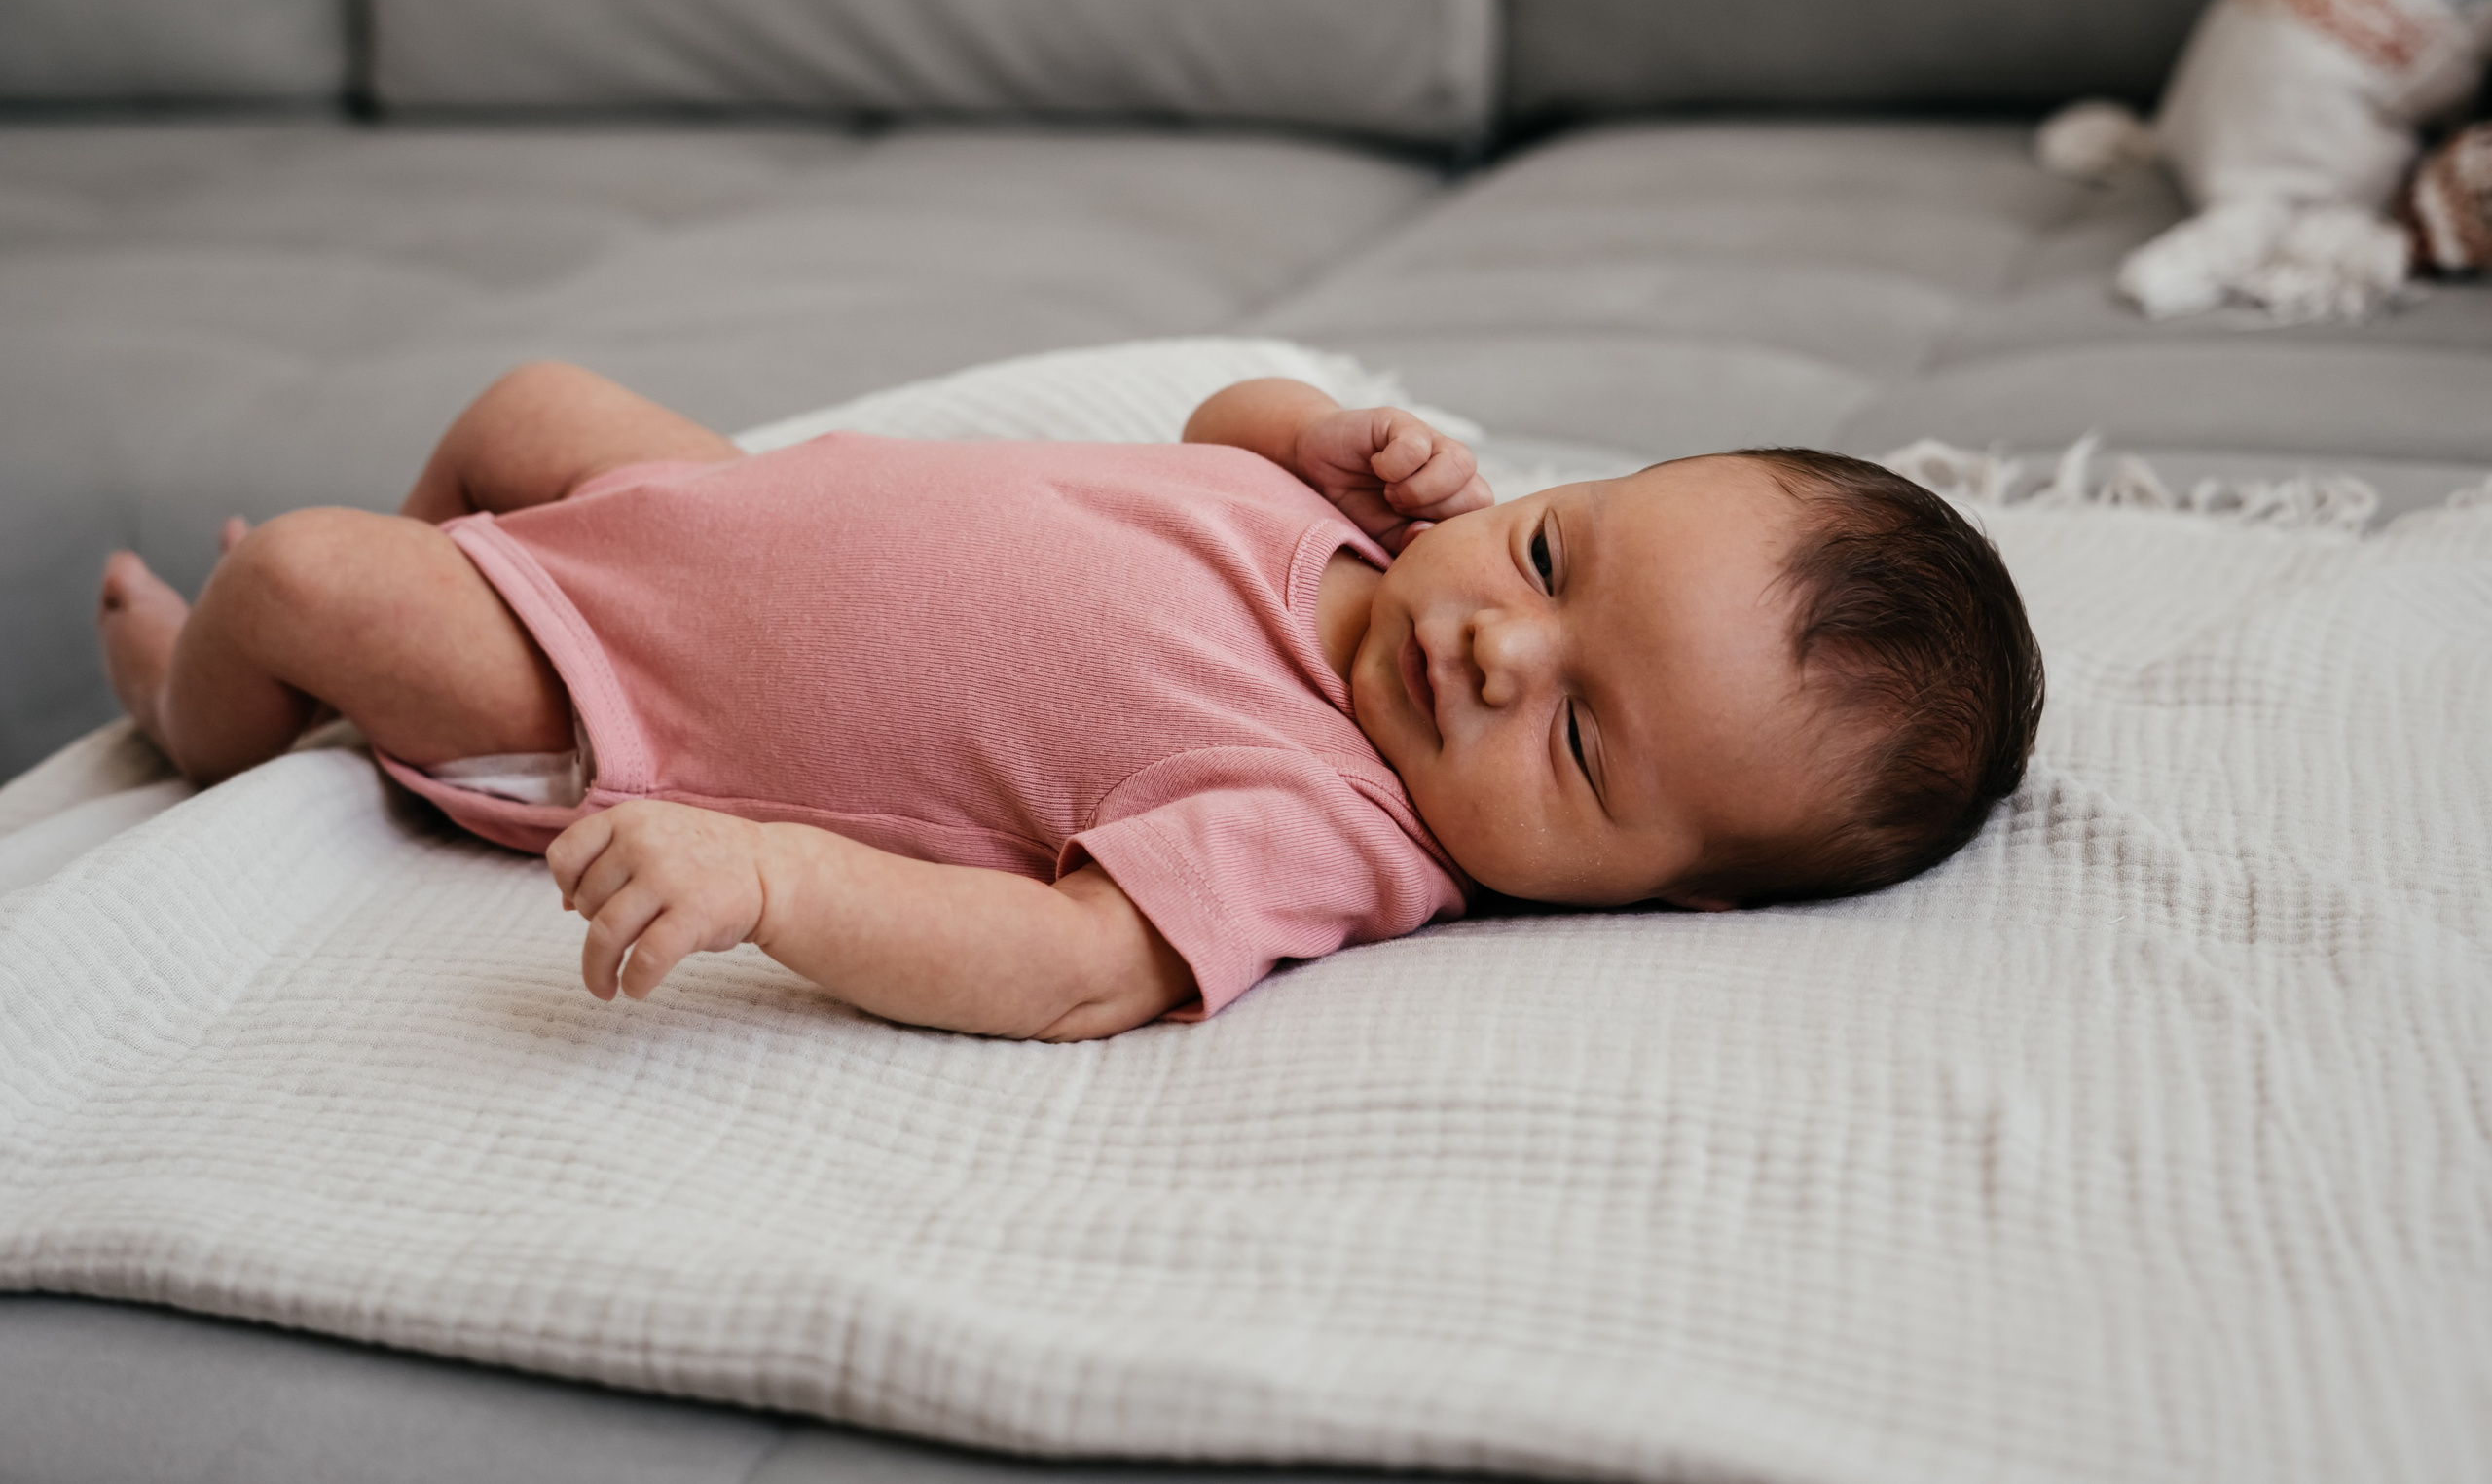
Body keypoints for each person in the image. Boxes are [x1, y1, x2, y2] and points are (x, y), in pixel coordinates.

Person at [94, 360, 2042, 1040]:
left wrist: (769, 885)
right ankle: (325, 684)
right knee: (527, 408)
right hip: (719, 505)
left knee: (311, 571)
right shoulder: (1380, 549)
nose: (1495, 647)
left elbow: (1069, 960)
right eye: (1556, 555)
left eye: (1581, 738)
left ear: (1664, 892)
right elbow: (1201, 440)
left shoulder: (1328, 827)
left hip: (620, 683)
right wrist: (1311, 434)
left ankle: (221, 716)